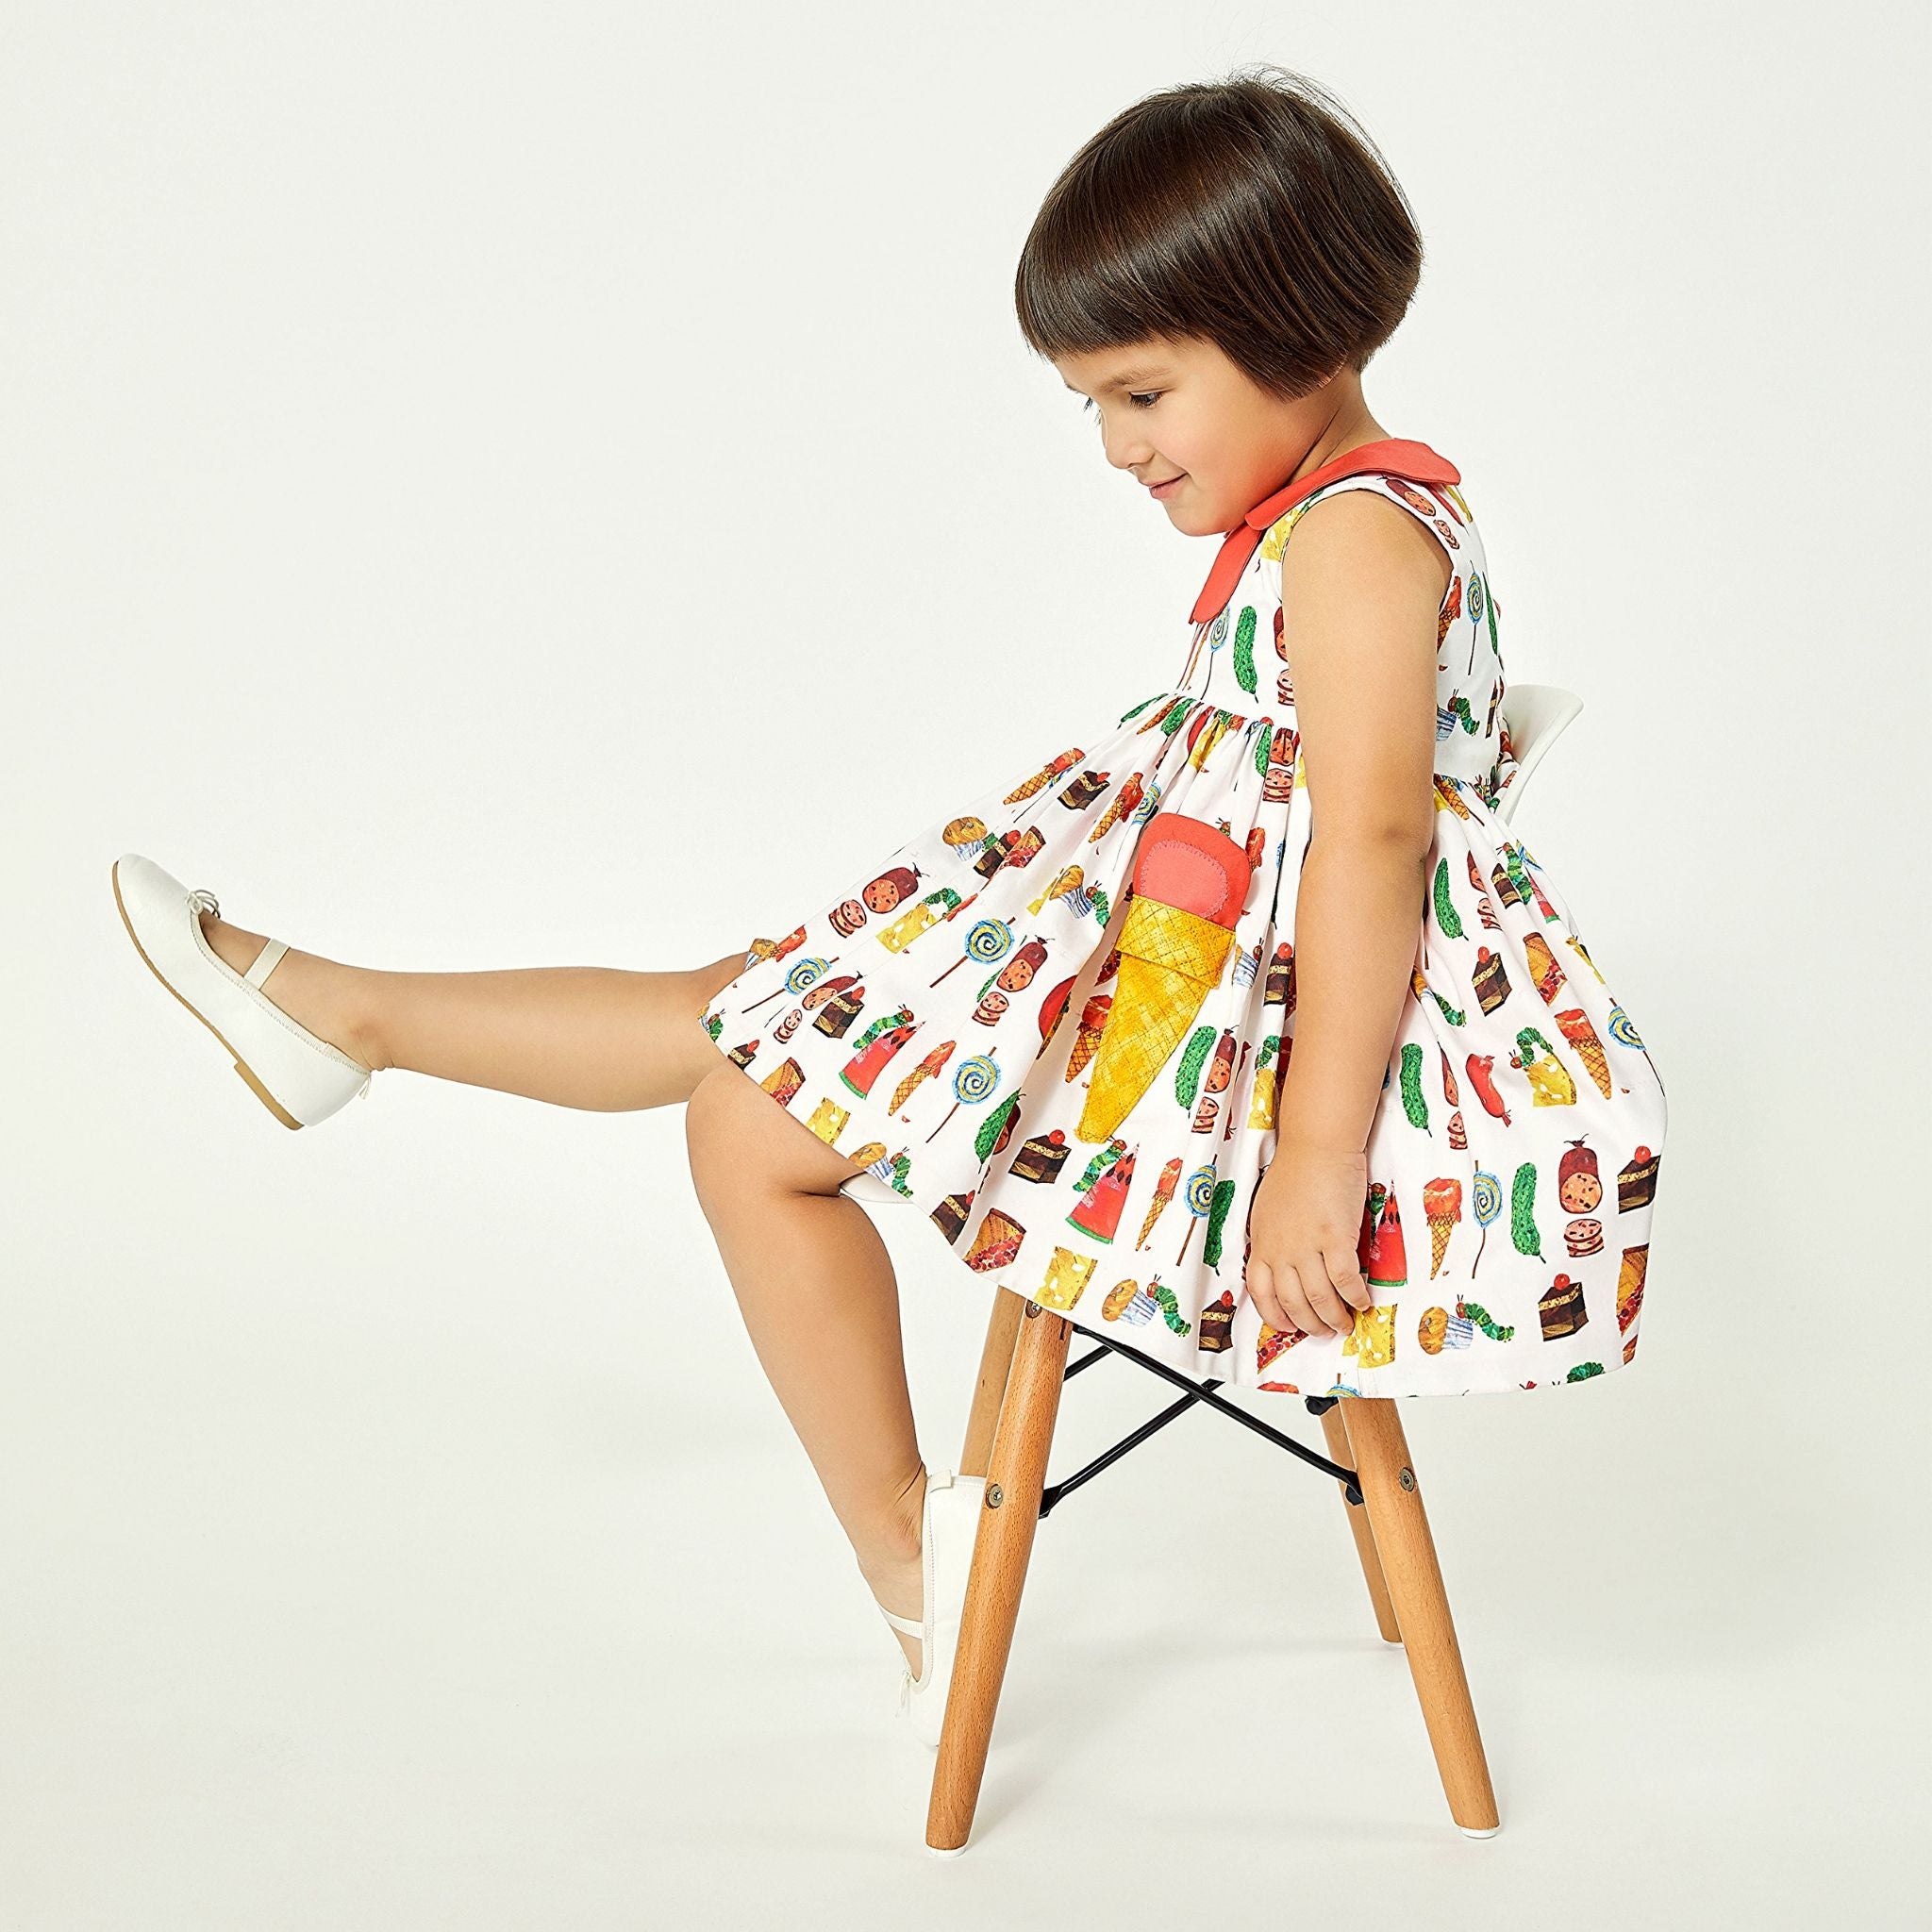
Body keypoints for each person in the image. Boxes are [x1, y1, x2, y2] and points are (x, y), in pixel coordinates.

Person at [111, 65, 1667, 1744]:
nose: (1117, 448)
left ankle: (901, 1546)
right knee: (763, 1017)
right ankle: (343, 1019)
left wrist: (1314, 1160)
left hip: (1216, 1048)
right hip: (1171, 949)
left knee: (747, 1104)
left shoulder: (1358, 543)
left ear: (1291, 323)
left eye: (1141, 395)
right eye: (1093, 406)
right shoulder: (1342, 514)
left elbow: (1373, 849)